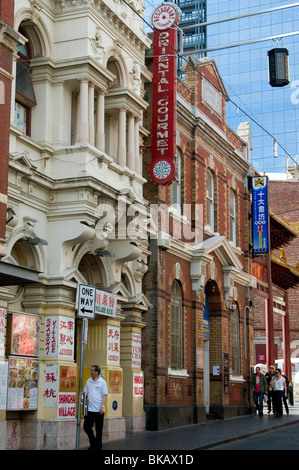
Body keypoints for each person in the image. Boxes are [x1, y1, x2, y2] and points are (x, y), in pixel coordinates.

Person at [83, 365, 108, 450]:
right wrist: (84, 407)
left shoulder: (102, 382)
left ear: (97, 372)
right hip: (89, 409)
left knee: (98, 430)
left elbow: (104, 395)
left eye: (92, 371)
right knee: (86, 427)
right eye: (90, 370)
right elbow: (85, 394)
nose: (91, 372)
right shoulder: (88, 381)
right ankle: (93, 442)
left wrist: (102, 407)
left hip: (99, 410)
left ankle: (97, 447)